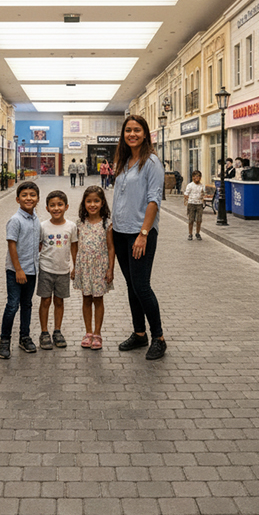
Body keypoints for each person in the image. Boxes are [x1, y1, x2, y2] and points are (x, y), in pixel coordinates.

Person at [110, 115, 167, 360]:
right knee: (132, 285)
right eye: (128, 130)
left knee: (142, 286)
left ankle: (159, 338)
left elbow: (154, 200)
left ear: (145, 134)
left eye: (137, 130)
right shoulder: (124, 161)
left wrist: (143, 234)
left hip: (140, 233)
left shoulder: (151, 162)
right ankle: (139, 333)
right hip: (120, 232)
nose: (132, 134)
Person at [0, 181, 41, 359]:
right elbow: (12, 246)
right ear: (17, 199)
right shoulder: (15, 220)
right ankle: (4, 340)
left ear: (38, 199)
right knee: (12, 305)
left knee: (27, 304)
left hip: (32, 270)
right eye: (24, 195)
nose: (28, 198)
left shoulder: (36, 218)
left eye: (32, 195)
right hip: (16, 271)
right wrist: (18, 270)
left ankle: (24, 337)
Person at [74, 185, 114, 350]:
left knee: (98, 299)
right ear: (84, 203)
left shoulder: (107, 224)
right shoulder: (80, 223)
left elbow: (111, 248)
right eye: (89, 201)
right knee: (86, 299)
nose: (92, 205)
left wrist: (110, 269)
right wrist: (74, 267)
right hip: (84, 267)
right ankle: (88, 332)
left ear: (102, 202)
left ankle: (97, 333)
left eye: (96, 201)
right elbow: (75, 246)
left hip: (100, 267)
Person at [37, 190, 78, 350]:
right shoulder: (43, 226)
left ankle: (57, 331)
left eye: (60, 205)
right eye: (52, 205)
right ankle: (44, 332)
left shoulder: (71, 226)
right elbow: (39, 246)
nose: (56, 208)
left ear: (66, 207)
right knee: (46, 300)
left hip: (63, 271)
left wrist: (75, 267)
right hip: (46, 269)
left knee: (59, 301)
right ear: (47, 208)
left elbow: (74, 247)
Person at [184, 170, 205, 241]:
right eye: (195, 176)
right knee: (191, 220)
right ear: (193, 177)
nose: (197, 178)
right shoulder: (190, 185)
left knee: (199, 220)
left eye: (198, 176)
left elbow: (204, 194)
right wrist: (188, 198)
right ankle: (190, 234)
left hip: (199, 204)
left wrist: (203, 197)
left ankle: (197, 233)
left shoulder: (202, 186)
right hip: (191, 204)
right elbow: (186, 194)